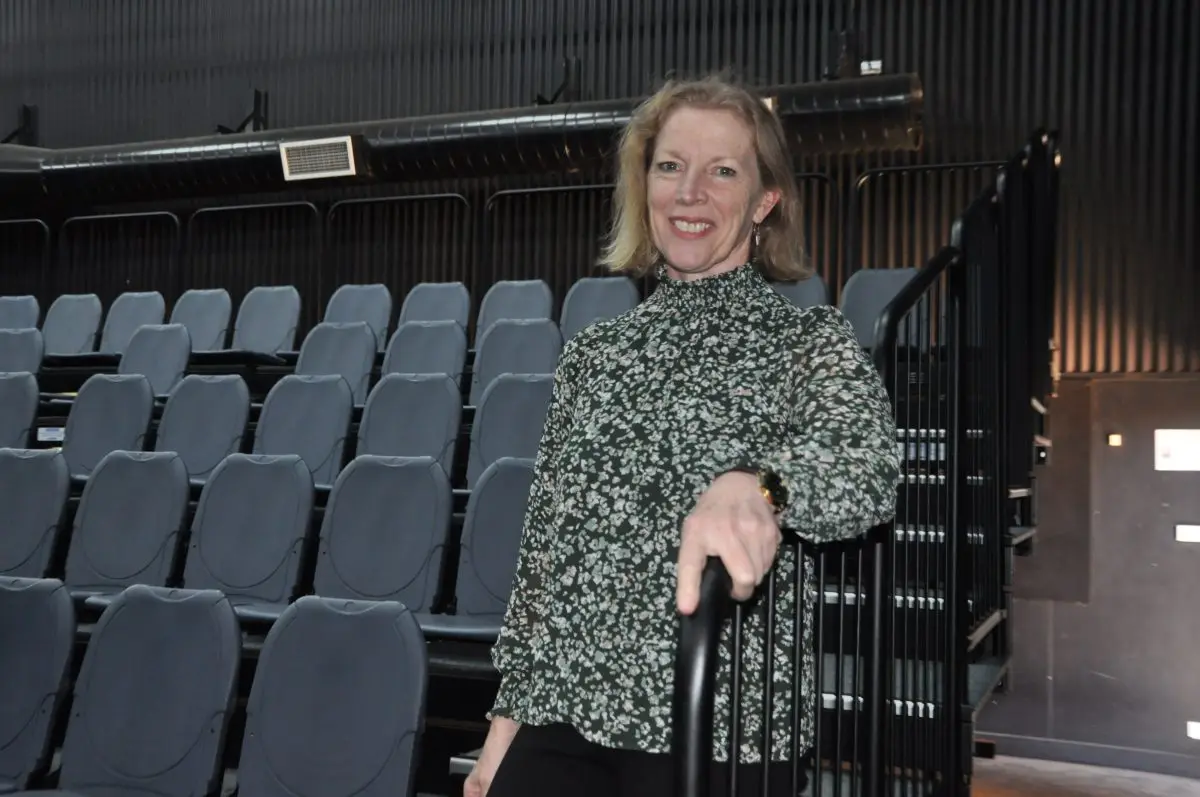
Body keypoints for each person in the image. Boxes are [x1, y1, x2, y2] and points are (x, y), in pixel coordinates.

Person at [465, 74, 900, 797]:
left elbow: (866, 466)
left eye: (722, 170)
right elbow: (545, 559)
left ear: (764, 201)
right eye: (670, 166)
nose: (690, 191)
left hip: (719, 728)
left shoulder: (806, 340)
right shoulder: (594, 356)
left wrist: (761, 484)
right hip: (565, 718)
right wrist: (502, 728)